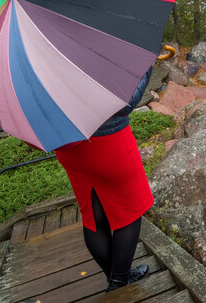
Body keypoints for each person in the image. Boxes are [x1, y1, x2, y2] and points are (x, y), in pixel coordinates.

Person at [54, 67, 155, 292]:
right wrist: (147, 66)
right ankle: (119, 281)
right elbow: (124, 103)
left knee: (93, 213)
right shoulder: (87, 45)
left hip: (67, 143)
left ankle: (115, 277)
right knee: (129, 211)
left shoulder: (37, 55)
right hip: (107, 142)